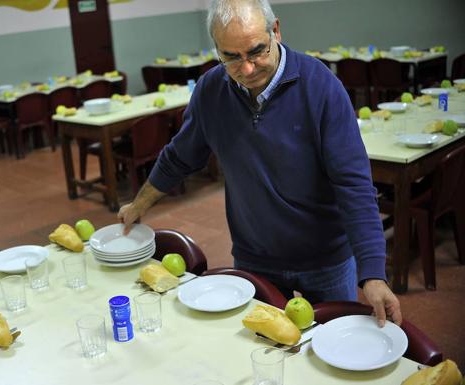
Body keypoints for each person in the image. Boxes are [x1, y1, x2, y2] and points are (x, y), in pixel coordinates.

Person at [118, 0, 401, 327]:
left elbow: (353, 184)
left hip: (325, 258)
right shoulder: (211, 91)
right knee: (264, 351)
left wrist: (373, 273)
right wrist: (140, 203)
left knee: (331, 356)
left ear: (275, 31)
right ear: (217, 49)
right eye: (231, 57)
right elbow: (179, 156)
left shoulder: (320, 86)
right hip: (255, 257)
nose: (247, 69)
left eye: (256, 51)